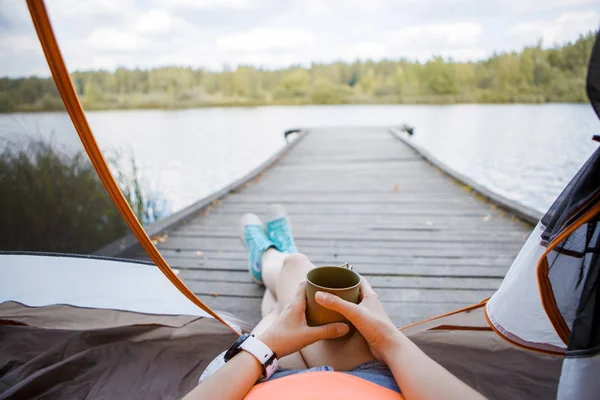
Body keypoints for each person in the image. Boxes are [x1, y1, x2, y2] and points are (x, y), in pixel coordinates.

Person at [184, 205, 485, 400]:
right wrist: (387, 338)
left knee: (290, 286)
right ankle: (279, 259)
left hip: (250, 385)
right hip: (371, 383)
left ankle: (269, 258)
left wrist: (268, 345)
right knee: (292, 284)